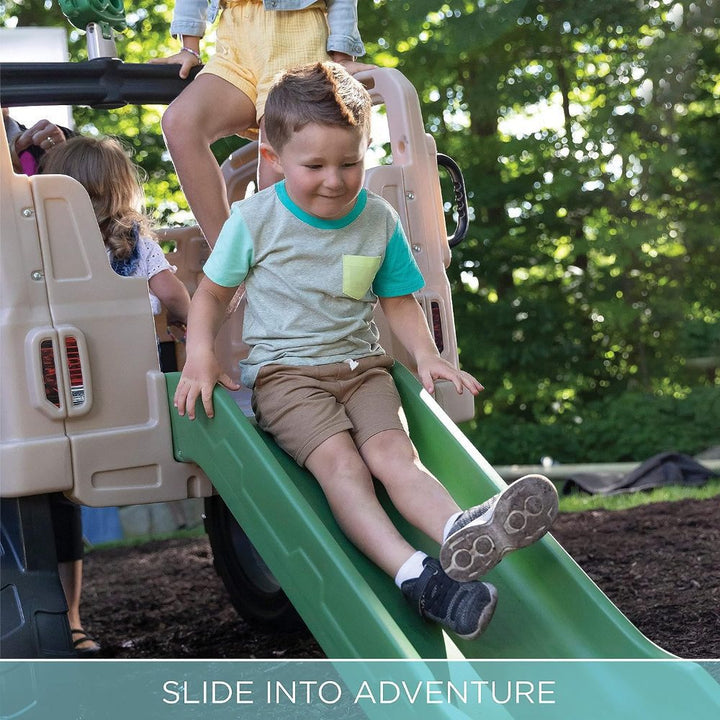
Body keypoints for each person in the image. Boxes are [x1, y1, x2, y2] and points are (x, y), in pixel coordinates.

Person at [173, 62, 559, 640]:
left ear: (365, 150)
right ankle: (416, 576)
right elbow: (210, 295)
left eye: (349, 162)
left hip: (365, 370)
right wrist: (200, 355)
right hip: (288, 378)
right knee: (344, 469)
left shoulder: (377, 218)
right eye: (315, 166)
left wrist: (426, 355)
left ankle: (461, 528)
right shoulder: (256, 220)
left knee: (395, 460)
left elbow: (398, 297)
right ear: (275, 160)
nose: (334, 179)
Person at [150, 0, 374, 247]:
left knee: (276, 166)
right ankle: (229, 257)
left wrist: (341, 57)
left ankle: (282, 267)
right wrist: (189, 48)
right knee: (180, 123)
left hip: (299, 41)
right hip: (235, 47)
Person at [3, 110, 100, 654]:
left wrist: (41, 146)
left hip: (36, 313)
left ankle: (70, 616)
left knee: (57, 483)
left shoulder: (12, 123)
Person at [41, 136, 191, 329]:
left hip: (67, 350)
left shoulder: (45, 246)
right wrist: (179, 317)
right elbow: (172, 295)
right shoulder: (139, 247)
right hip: (131, 351)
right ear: (124, 190)